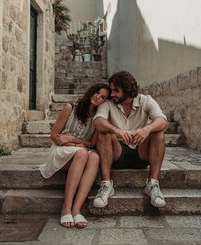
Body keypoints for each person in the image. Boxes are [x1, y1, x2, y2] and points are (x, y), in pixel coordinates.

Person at [92, 71, 168, 209]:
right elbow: (97, 121)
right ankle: (106, 185)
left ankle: (152, 184)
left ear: (127, 89)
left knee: (158, 132)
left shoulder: (146, 100)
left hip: (141, 153)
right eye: (112, 90)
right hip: (117, 154)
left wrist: (146, 129)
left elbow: (162, 120)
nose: (112, 93)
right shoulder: (108, 103)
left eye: (116, 90)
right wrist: (117, 131)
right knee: (103, 132)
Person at [39, 83, 110, 228]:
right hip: (61, 151)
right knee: (83, 153)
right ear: (91, 91)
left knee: (94, 156)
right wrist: (74, 145)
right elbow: (54, 136)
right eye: (97, 93)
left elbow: (91, 142)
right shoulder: (70, 108)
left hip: (79, 150)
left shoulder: (98, 119)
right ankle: (66, 206)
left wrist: (72, 139)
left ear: (104, 102)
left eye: (103, 97)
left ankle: (76, 209)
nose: (98, 97)